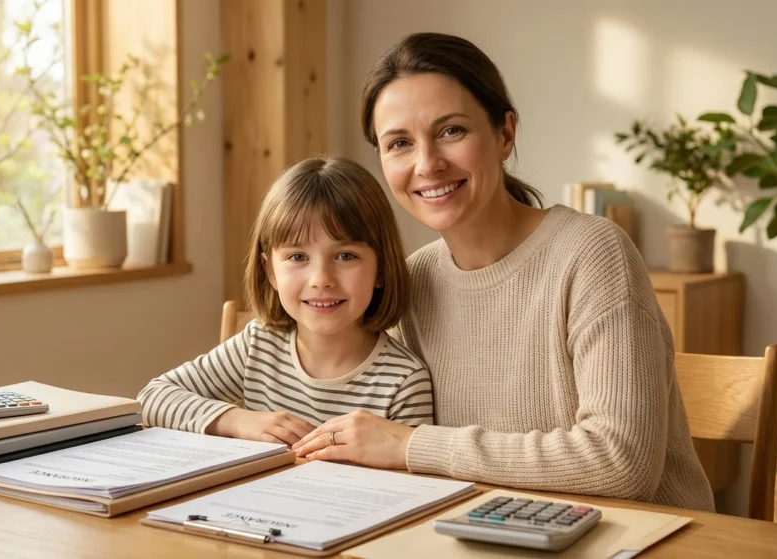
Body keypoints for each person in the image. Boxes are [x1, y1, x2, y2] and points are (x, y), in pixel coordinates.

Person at [292, 32, 715, 512]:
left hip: (642, 537)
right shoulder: (412, 280)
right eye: (400, 143)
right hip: (490, 531)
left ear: (505, 134)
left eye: (452, 131)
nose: (427, 164)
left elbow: (621, 462)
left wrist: (411, 446)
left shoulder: (593, 253)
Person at [137, 156, 434, 446]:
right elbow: (152, 397)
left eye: (346, 256)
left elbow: (413, 480)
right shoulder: (258, 346)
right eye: (298, 257)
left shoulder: (404, 383)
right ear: (271, 272)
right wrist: (239, 420)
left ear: (380, 269)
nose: (321, 278)